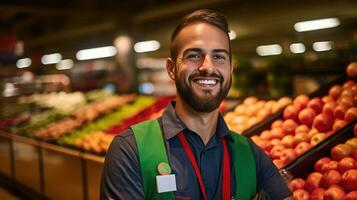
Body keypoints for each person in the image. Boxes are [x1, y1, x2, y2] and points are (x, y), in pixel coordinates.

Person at [101, 9, 292, 200]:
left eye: (219, 57)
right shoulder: (130, 149)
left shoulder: (250, 153)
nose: (208, 66)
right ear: (172, 69)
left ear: (230, 69)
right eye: (193, 55)